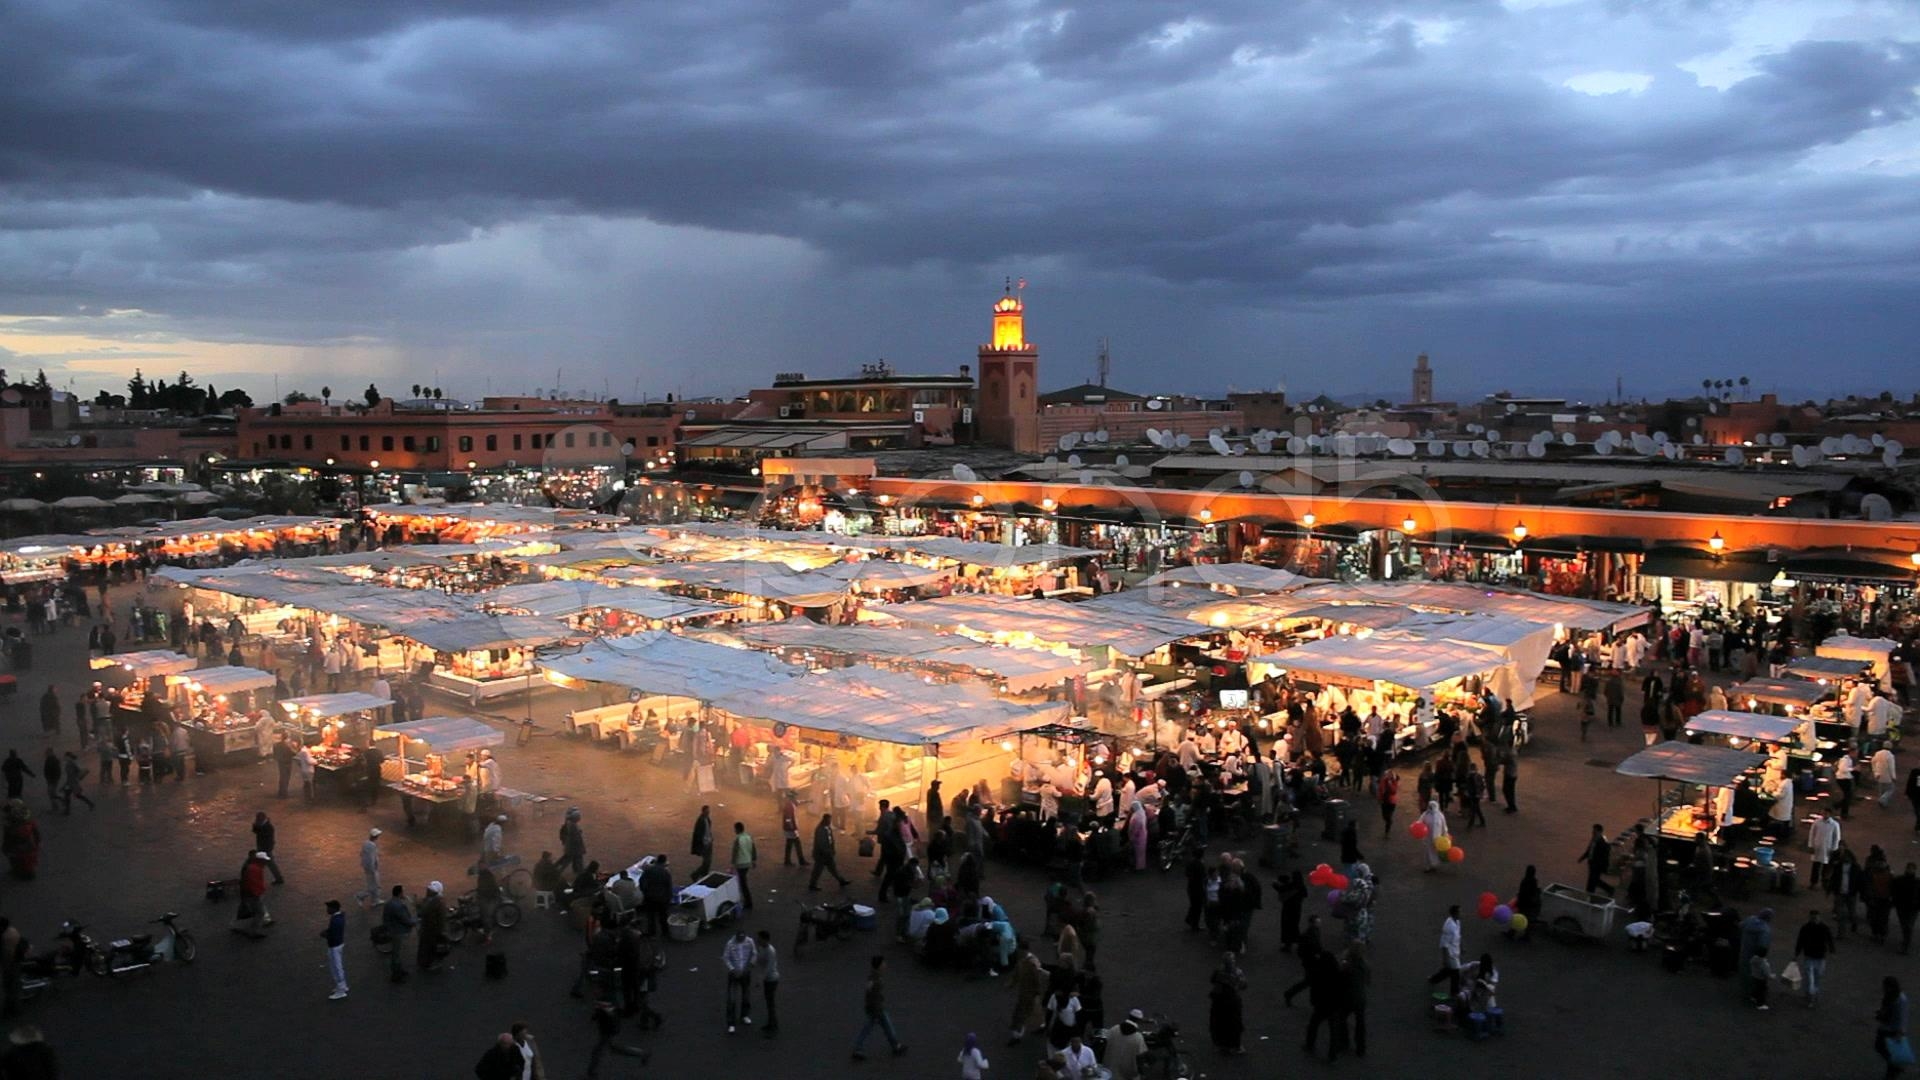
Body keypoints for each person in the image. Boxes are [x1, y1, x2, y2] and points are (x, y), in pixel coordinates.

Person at [851, 955, 907, 1061]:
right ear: (880, 965)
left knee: (884, 1027)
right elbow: (873, 997)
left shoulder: (873, 977)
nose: (885, 965)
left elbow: (868, 994)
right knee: (873, 1028)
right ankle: (858, 1048)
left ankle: (895, 1045)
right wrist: (876, 1012)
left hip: (875, 1008)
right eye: (884, 963)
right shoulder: (876, 980)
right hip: (877, 1009)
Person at [588, 1002, 651, 1079]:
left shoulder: (607, 999)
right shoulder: (605, 999)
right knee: (614, 1048)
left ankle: (592, 1069)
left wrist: (598, 1016)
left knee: (598, 1050)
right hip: (607, 1029)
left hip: (607, 1030)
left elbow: (610, 1013)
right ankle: (641, 1053)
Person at [1793, 910, 1834, 1007]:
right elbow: (1830, 940)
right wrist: (1832, 951)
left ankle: (1810, 995)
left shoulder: (1806, 927)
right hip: (1817, 957)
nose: (1814, 919)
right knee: (1814, 978)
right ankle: (1812, 995)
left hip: (1812, 956)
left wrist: (1796, 954)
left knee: (1812, 977)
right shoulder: (1823, 927)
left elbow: (1800, 941)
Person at [1207, 951, 1246, 1055]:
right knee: (1234, 1023)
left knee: (1219, 1021)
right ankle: (1235, 1046)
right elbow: (1243, 985)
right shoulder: (1237, 972)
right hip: (1232, 1000)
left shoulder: (1218, 970)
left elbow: (1212, 980)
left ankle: (1221, 1044)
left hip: (1219, 999)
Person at [723, 928, 756, 1033]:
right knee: (732, 999)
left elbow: (754, 953)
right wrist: (732, 969)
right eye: (740, 937)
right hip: (734, 974)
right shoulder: (730, 943)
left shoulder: (750, 941)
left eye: (743, 937)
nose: (742, 938)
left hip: (745, 973)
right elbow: (726, 957)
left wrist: (750, 966)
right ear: (736, 936)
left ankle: (744, 1015)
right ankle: (731, 1023)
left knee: (746, 996)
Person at [1426, 905, 1463, 998]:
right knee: (1455, 973)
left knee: (1448, 971)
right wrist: (1445, 959)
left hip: (1455, 951)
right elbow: (1444, 944)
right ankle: (1454, 992)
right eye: (1460, 912)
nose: (1461, 914)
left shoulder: (1457, 922)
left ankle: (1434, 979)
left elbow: (1458, 936)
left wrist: (1461, 946)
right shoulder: (1449, 927)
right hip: (1451, 954)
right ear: (1455, 913)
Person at [1877, 976, 1909, 1080]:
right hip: (1885, 1026)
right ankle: (1894, 1067)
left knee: (1885, 1048)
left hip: (1893, 1030)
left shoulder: (1901, 999)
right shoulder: (1889, 995)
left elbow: (1903, 1017)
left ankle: (1893, 1069)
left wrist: (1900, 1033)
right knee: (1879, 1046)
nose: (1884, 989)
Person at [381, 885, 415, 980]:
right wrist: (414, 922)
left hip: (392, 929)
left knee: (397, 953)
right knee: (396, 954)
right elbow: (406, 920)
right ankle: (396, 975)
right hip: (397, 932)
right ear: (400, 893)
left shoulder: (390, 903)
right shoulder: (398, 906)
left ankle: (399, 971)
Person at [810, 812, 850, 890]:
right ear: (825, 820)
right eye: (829, 820)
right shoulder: (821, 830)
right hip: (821, 854)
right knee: (818, 870)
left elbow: (830, 840)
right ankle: (812, 884)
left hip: (826, 853)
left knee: (832, 869)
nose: (829, 822)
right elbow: (821, 844)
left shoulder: (826, 828)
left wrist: (832, 850)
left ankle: (841, 880)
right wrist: (829, 852)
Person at [1101, 1015, 1147, 1080]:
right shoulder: (1138, 1038)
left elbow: (1104, 1043)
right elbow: (1140, 1057)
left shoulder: (1114, 1029)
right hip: (1127, 1074)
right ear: (1139, 1021)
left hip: (1109, 1070)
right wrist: (1142, 1073)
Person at [417, 880, 449, 972]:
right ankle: (427, 964)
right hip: (431, 929)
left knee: (427, 947)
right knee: (428, 948)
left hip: (430, 929)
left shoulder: (435, 901)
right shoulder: (436, 901)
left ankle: (425, 963)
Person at [320, 899, 348, 1000]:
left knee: (336, 967)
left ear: (334, 908)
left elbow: (333, 935)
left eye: (329, 907)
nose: (327, 909)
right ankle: (342, 986)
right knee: (337, 966)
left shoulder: (335, 920)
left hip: (334, 946)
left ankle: (341, 990)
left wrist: (325, 935)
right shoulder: (338, 917)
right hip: (338, 944)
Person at [755, 929, 781, 1036]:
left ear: (765, 940)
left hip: (772, 979)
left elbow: (769, 968)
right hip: (767, 979)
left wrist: (760, 979)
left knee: (770, 1003)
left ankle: (773, 1025)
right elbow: (759, 959)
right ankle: (771, 1023)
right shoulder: (761, 948)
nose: (758, 940)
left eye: (760, 939)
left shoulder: (771, 951)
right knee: (769, 1002)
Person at [1578, 824, 1615, 896]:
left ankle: (1589, 894)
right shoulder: (1594, 839)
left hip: (1597, 865)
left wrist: (1603, 866)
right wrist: (1583, 858)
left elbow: (1605, 856)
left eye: (1595, 831)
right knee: (1595, 880)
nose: (1593, 832)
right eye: (1593, 831)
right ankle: (1609, 889)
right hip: (1592, 863)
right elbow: (1590, 850)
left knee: (1592, 880)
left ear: (1600, 831)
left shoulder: (1603, 842)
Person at [1893, 864, 1920, 956]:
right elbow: (1894, 892)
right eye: (1909, 868)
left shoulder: (1917, 882)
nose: (1910, 870)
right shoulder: (1900, 880)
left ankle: (1905, 945)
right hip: (1902, 907)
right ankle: (1905, 941)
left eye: (1912, 869)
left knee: (1908, 926)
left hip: (1912, 908)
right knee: (1905, 926)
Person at [253, 811, 285, 885]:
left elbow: (262, 835)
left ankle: (279, 879)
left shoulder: (268, 827)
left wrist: (257, 827)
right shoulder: (263, 825)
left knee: (269, 864)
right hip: (262, 848)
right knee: (267, 864)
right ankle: (278, 878)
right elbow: (255, 831)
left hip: (265, 849)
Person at [731, 821, 757, 911]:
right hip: (747, 862)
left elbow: (735, 852)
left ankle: (748, 902)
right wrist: (753, 860)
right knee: (743, 881)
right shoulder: (748, 837)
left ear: (737, 829)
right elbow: (753, 849)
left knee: (743, 883)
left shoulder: (738, 839)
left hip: (740, 863)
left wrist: (732, 865)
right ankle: (748, 901)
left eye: (735, 829)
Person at [1417, 800, 1448, 873]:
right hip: (1427, 837)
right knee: (1427, 852)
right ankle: (1427, 867)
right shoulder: (1425, 814)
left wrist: (1445, 834)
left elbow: (1444, 826)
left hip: (1437, 838)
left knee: (1435, 851)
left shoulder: (1440, 815)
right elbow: (1419, 823)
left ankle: (1434, 865)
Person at [357, 829, 382, 909]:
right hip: (371, 868)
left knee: (375, 884)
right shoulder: (372, 845)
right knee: (373, 885)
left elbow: (362, 854)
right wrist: (372, 868)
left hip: (368, 867)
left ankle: (375, 900)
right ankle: (361, 896)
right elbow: (371, 858)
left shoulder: (366, 843)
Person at [560, 807, 588, 877]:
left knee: (573, 860)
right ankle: (580, 873)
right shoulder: (572, 825)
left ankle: (577, 871)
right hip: (574, 848)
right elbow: (576, 838)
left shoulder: (569, 823)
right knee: (576, 860)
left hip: (570, 847)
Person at [781, 792, 807, 866]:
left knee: (789, 845)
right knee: (797, 844)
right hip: (790, 829)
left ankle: (787, 860)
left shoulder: (791, 803)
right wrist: (791, 827)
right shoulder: (789, 805)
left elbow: (799, 802)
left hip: (789, 828)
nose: (796, 798)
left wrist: (807, 801)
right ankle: (801, 860)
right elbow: (788, 818)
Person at [689, 805, 713, 879]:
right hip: (705, 843)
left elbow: (708, 830)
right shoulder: (701, 820)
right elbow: (698, 834)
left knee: (708, 861)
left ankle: (704, 874)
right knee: (707, 861)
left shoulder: (707, 819)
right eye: (707, 811)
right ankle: (696, 874)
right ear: (703, 811)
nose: (708, 812)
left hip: (708, 842)